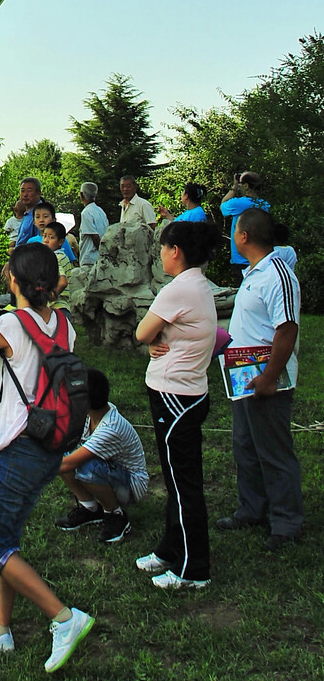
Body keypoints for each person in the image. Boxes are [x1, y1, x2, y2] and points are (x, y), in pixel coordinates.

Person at [0, 243, 95, 672]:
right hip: (52, 442)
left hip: (15, 446)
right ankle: (0, 626)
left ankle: (64, 618)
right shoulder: (64, 323)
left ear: (14, 281)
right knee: (6, 537)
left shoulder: (9, 325)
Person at [135, 219, 222, 590]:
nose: (161, 255)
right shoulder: (197, 284)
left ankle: (194, 568)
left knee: (183, 483)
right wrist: (159, 336)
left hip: (175, 395)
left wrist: (153, 336)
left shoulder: (178, 290)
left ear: (176, 252)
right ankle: (170, 549)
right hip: (187, 392)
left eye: (164, 248)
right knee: (176, 479)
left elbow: (141, 331)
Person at [216, 208, 304, 551]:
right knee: (246, 446)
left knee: (274, 450)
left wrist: (269, 377)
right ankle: (252, 509)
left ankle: (286, 523)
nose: (233, 237)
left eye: (235, 231)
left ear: (244, 237)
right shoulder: (253, 273)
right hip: (242, 376)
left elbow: (287, 328)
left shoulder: (278, 275)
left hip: (266, 378)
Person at [55, 368, 148, 542]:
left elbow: (67, 464)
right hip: (111, 469)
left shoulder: (109, 429)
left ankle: (116, 516)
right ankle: (89, 509)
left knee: (83, 466)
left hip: (131, 486)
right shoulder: (94, 413)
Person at [220, 172, 270, 284]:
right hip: (259, 257)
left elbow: (223, 206)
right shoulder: (265, 205)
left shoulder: (239, 204)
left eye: (241, 184)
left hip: (240, 259)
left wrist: (234, 186)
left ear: (246, 186)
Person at [41, 222, 72, 317]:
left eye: (51, 237)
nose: (46, 240)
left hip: (56, 306)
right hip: (64, 306)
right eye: (44, 236)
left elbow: (63, 282)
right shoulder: (63, 256)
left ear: (61, 242)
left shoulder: (54, 257)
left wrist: (50, 296)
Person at [78, 183, 109, 266]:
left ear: (81, 194)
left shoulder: (86, 213)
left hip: (89, 258)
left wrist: (101, 252)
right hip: (100, 258)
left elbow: (94, 236)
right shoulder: (100, 211)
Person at [10, 177, 43, 253]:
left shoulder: (40, 214)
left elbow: (40, 243)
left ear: (38, 193)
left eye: (29, 190)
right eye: (22, 191)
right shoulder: (27, 214)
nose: (25, 195)